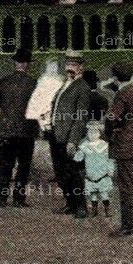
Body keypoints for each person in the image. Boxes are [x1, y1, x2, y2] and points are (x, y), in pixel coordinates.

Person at [104, 63, 133, 236]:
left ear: (115, 78)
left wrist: (109, 131)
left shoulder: (122, 95)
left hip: (125, 145)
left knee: (126, 186)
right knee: (132, 184)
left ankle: (129, 226)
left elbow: (112, 118)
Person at [48, 50, 93, 218]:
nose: (69, 68)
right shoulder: (64, 84)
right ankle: (70, 203)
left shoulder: (83, 88)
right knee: (61, 173)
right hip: (56, 135)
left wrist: (73, 141)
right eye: (67, 65)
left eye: (73, 65)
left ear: (81, 67)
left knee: (73, 173)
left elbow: (81, 117)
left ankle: (81, 207)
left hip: (68, 138)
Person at [0, 45, 38, 208]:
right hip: (26, 130)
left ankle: (0, 198)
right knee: (23, 166)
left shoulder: (4, 82)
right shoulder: (33, 83)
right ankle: (19, 199)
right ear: (27, 64)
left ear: (15, 63)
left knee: (5, 164)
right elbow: (37, 107)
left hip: (7, 129)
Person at [74, 120, 116, 219]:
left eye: (95, 132)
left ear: (99, 133)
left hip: (102, 174)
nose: (92, 134)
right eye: (90, 132)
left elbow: (110, 159)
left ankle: (107, 209)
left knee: (104, 193)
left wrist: (110, 169)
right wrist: (77, 152)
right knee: (93, 193)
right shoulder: (85, 145)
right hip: (90, 174)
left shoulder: (104, 146)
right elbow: (78, 158)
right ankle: (94, 209)